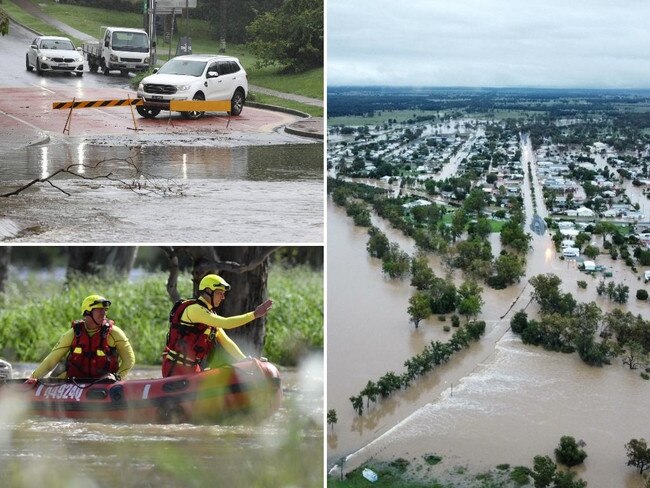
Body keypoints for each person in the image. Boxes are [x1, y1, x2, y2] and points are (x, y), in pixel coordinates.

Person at [162, 274, 272, 378]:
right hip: (175, 367)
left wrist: (244, 360)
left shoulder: (211, 315)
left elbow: (226, 342)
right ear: (208, 291)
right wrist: (254, 315)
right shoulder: (194, 310)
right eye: (220, 293)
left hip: (193, 368)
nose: (223, 297)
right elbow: (226, 323)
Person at [25, 295, 135, 383]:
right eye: (99, 310)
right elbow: (51, 360)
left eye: (105, 310)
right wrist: (33, 378)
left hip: (104, 383)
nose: (104, 313)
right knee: (60, 368)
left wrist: (117, 377)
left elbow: (129, 360)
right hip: (74, 382)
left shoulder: (115, 333)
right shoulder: (73, 334)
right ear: (87, 312)